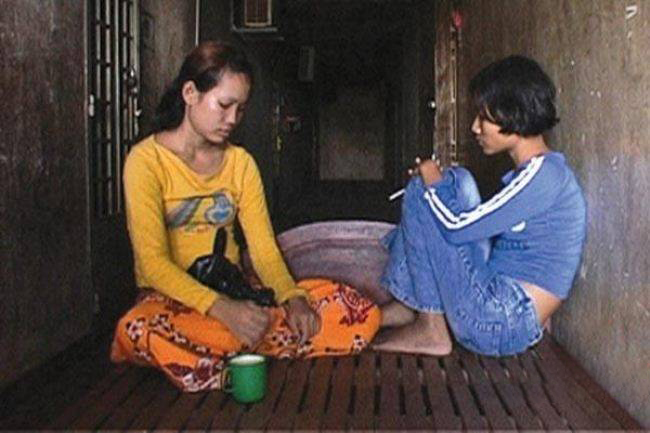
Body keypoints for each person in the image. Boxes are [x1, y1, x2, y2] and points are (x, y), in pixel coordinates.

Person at [111, 41, 380, 392]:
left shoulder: (241, 164)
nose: (232, 120)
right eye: (224, 105)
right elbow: (152, 264)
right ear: (190, 93)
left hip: (236, 291)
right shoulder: (145, 162)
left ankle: (213, 358)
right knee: (137, 327)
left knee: (354, 310)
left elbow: (264, 250)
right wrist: (222, 310)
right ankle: (242, 349)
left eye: (240, 109)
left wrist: (293, 299)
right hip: (174, 303)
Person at [372, 55, 586, 356]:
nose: (475, 127)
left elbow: (457, 229)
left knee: (425, 190)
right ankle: (416, 307)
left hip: (501, 321)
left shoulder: (544, 175)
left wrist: (431, 184)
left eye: (484, 118)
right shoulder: (536, 173)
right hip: (501, 311)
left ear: (513, 116)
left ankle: (429, 326)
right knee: (458, 182)